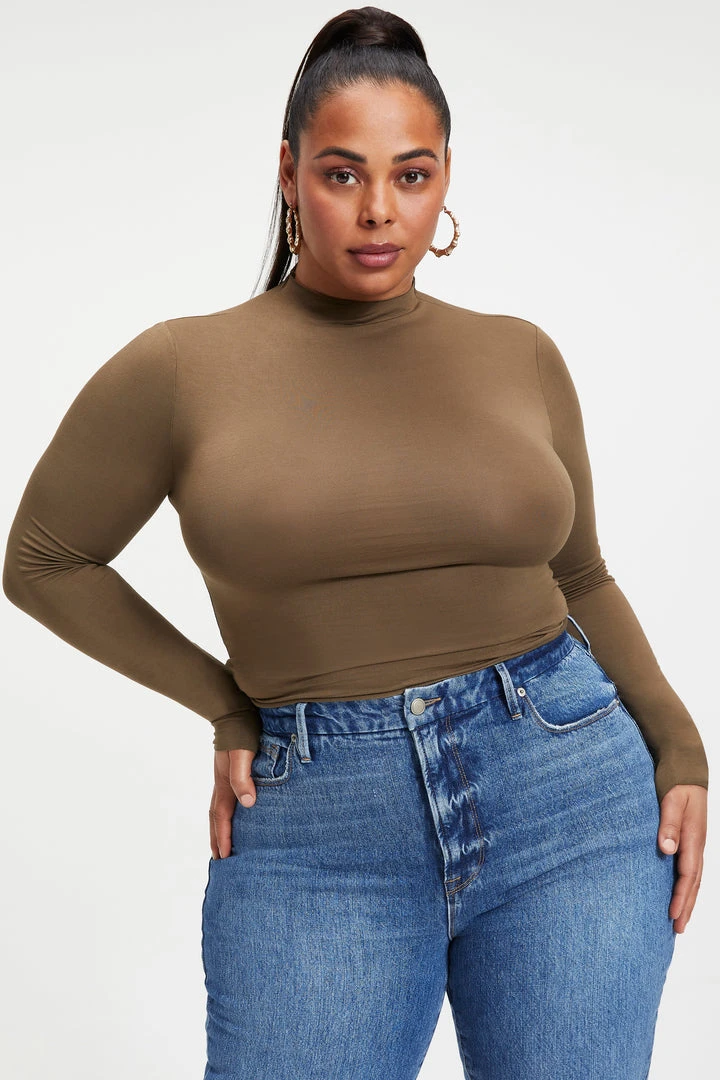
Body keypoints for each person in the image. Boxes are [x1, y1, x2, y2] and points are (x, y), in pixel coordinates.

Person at [2, 6, 709, 1079]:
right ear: (288, 172)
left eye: (411, 175)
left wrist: (680, 744)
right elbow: (45, 561)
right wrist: (224, 702)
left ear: (445, 178)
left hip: (573, 798)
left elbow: (580, 574)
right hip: (320, 826)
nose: (380, 210)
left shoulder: (519, 355)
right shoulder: (182, 369)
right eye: (343, 174)